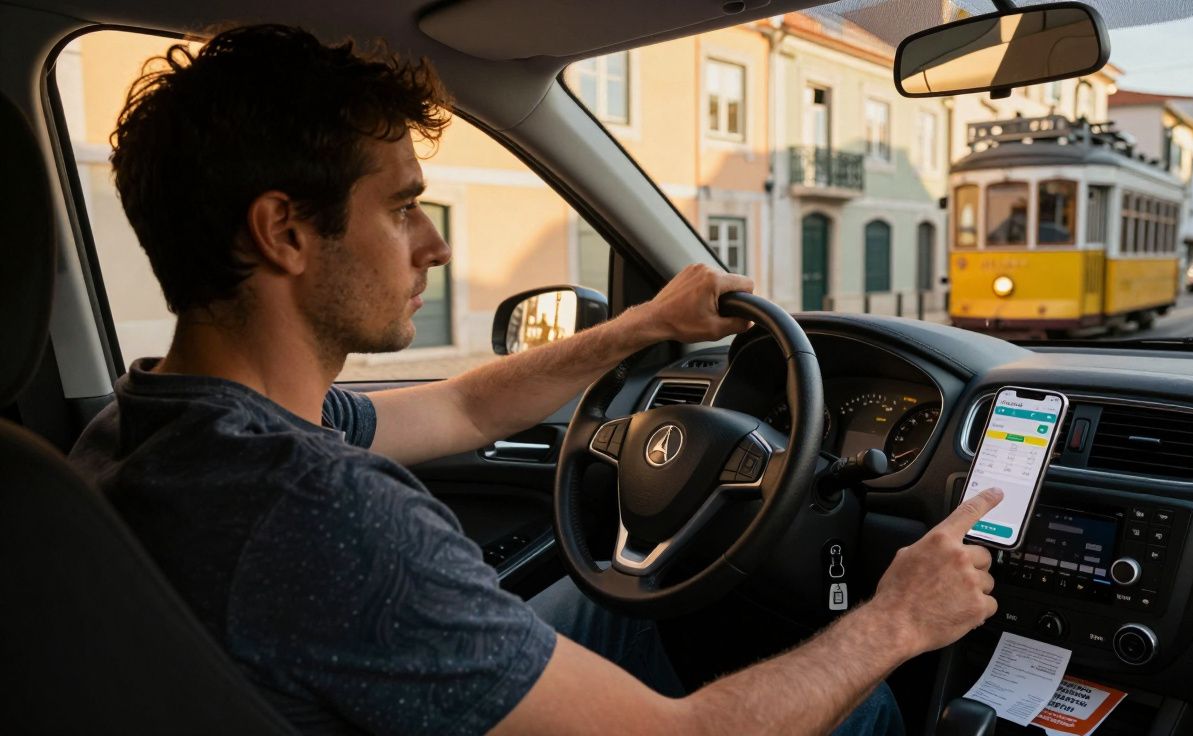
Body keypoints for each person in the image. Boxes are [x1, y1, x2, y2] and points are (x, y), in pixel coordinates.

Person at [69, 25, 1000, 736]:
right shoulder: (323, 515)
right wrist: (897, 621)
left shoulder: (150, 423)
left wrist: (643, 326)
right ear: (286, 232)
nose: (434, 244)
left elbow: (464, 404)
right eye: (402, 210)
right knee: (864, 697)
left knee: (648, 614)